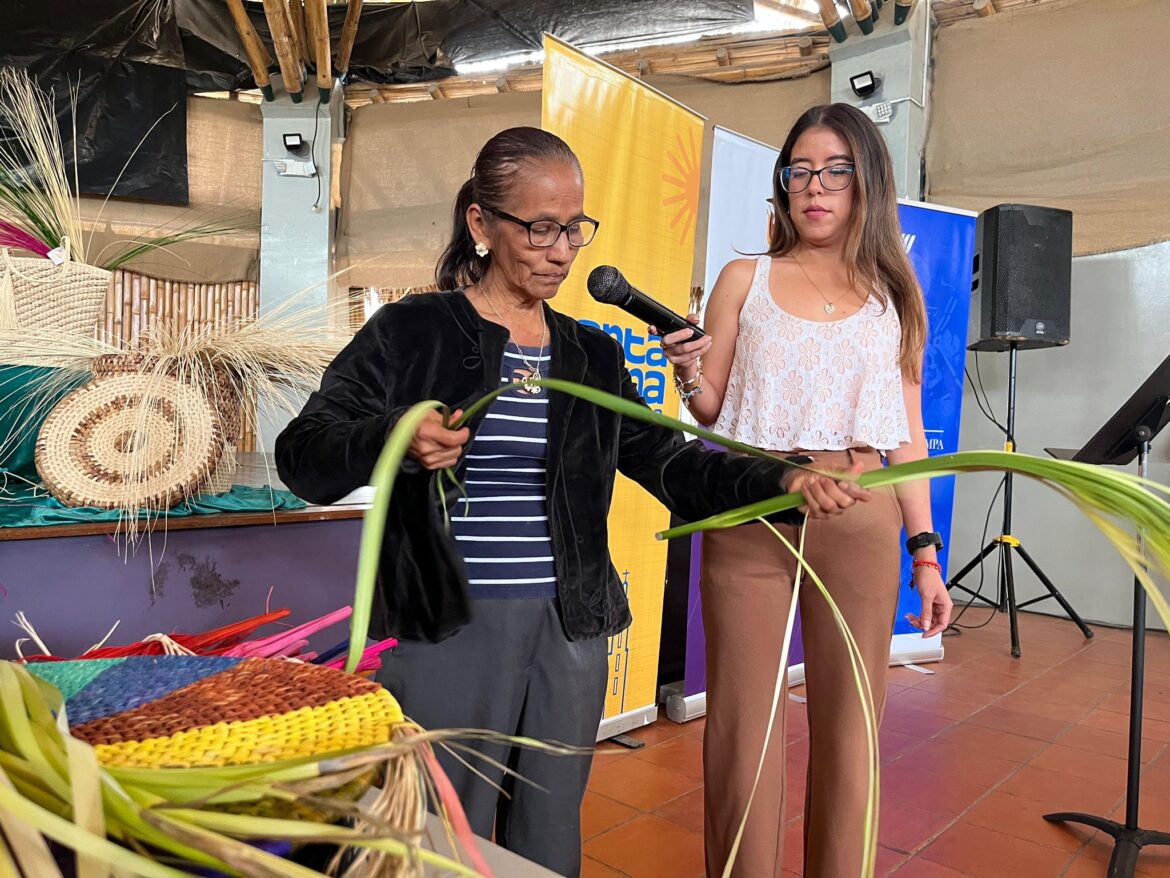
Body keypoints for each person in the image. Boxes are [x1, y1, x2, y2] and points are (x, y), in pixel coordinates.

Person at [275, 126, 868, 877]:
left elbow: (669, 464)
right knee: (438, 827)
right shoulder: (411, 332)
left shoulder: (591, 353)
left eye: (575, 229)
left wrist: (779, 480)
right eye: (541, 228)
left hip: (571, 626)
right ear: (482, 224)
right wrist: (394, 433)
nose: (562, 250)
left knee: (548, 831)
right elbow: (304, 452)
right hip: (446, 623)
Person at [658, 103, 954, 878]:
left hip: (861, 511)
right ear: (782, 184)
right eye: (798, 171)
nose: (813, 187)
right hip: (753, 504)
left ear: (867, 185)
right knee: (740, 727)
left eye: (833, 172)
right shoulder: (743, 278)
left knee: (853, 728)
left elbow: (908, 435)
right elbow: (712, 407)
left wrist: (925, 552)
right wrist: (688, 365)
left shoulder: (895, 297)